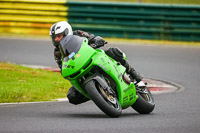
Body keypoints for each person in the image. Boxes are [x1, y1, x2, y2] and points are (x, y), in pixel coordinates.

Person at [50, 21, 142, 105]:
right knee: (72, 96)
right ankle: (98, 93)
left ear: (67, 32)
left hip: (93, 57)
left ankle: (133, 73)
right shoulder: (57, 53)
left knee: (113, 51)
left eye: (59, 36)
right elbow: (63, 67)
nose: (57, 39)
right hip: (80, 68)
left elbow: (91, 37)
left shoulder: (78, 34)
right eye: (54, 38)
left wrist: (96, 40)